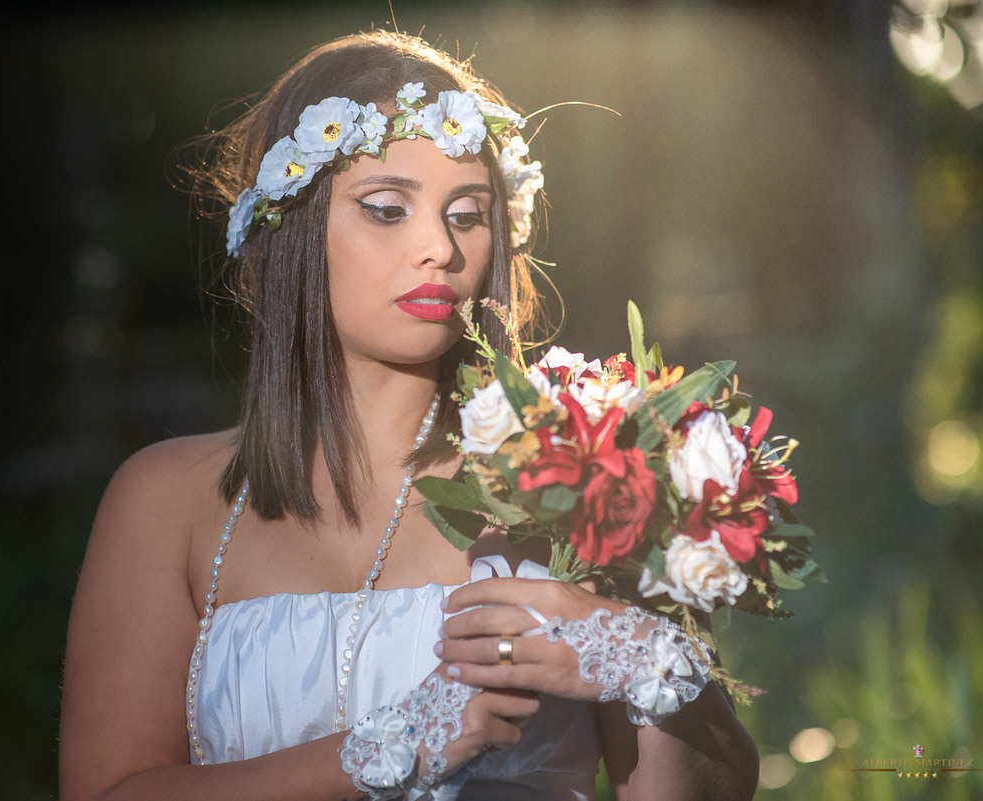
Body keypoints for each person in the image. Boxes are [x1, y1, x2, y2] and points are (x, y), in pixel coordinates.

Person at [58, 30, 759, 801]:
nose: (440, 247)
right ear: (291, 226)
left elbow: (713, 788)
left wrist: (640, 656)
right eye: (388, 209)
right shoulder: (164, 498)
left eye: (468, 213)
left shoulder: (578, 472)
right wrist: (377, 750)